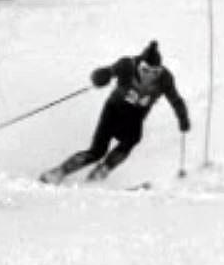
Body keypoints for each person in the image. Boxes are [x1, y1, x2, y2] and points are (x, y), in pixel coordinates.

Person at [39, 41, 191, 184]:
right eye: (145, 70)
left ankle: (101, 171)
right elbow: (106, 72)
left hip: (135, 116)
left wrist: (182, 118)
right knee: (97, 151)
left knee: (132, 139)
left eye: (155, 72)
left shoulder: (165, 79)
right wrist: (101, 77)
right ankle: (58, 172)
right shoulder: (127, 65)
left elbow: (176, 100)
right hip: (114, 109)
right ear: (139, 65)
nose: (150, 75)